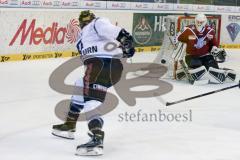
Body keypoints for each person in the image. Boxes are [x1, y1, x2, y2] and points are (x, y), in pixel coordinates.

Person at [52, 10, 135, 156]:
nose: (85, 22)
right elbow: (107, 45)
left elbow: (111, 31)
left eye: (85, 20)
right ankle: (70, 125)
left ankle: (96, 138)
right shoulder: (81, 37)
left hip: (100, 65)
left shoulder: (97, 23)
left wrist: (125, 39)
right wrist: (124, 49)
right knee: (80, 85)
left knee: (91, 101)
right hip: (110, 67)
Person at [176, 13, 236, 84]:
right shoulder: (188, 29)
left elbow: (214, 44)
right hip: (191, 56)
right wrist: (179, 41)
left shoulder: (210, 31)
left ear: (205, 22)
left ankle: (223, 73)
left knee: (213, 68)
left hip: (206, 56)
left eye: (201, 22)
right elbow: (177, 39)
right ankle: (184, 72)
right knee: (197, 65)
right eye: (198, 21)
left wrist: (215, 48)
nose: (199, 23)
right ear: (195, 21)